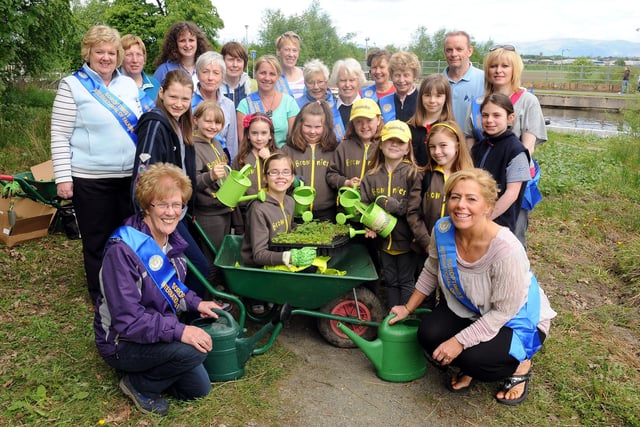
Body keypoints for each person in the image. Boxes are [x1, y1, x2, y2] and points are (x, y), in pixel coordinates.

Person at [390, 168, 556, 405]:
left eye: (471, 199)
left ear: (488, 206)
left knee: (474, 359)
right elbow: (431, 269)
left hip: (516, 318)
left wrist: (458, 342)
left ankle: (520, 365)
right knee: (428, 334)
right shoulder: (443, 229)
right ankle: (470, 360)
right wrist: (407, 308)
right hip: (473, 307)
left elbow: (503, 312)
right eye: (455, 197)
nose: (460, 205)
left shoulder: (506, 249)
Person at [95, 162, 223, 417]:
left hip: (155, 328)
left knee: (199, 388)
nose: (171, 212)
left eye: (177, 205)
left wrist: (197, 303)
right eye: (162, 204)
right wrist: (180, 331)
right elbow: (128, 321)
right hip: (122, 342)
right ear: (146, 206)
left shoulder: (171, 239)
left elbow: (172, 288)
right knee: (190, 352)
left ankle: (152, 369)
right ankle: (137, 384)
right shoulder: (123, 250)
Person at [50, 25, 142, 304]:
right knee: (98, 239)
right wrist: (63, 178)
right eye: (99, 51)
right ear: (87, 53)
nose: (105, 57)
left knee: (128, 236)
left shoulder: (127, 84)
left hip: (128, 177)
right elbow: (59, 134)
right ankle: (101, 294)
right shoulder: (72, 85)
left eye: (111, 52)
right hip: (90, 179)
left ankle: (128, 289)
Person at [132, 70, 210, 298]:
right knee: (199, 268)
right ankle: (193, 319)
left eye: (185, 99)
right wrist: (148, 216)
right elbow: (144, 175)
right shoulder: (155, 125)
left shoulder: (180, 124)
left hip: (178, 210)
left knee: (185, 267)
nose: (179, 104)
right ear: (161, 92)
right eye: (173, 97)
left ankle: (183, 312)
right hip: (161, 213)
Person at [466, 45, 547, 247]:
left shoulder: (528, 101)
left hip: (512, 176)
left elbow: (527, 146)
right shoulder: (478, 102)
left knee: (512, 234)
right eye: (493, 65)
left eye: (505, 66)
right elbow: (470, 138)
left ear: (515, 70)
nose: (498, 70)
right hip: (481, 177)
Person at [407, 121, 473, 308]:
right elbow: (413, 213)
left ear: (457, 146)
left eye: (443, 145)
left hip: (458, 250)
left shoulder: (468, 178)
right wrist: (427, 243)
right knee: (424, 293)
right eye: (433, 147)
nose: (437, 151)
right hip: (426, 249)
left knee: (451, 295)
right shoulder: (424, 176)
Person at [360, 120, 420, 309]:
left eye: (400, 142)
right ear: (381, 144)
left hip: (407, 241)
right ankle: (392, 317)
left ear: (407, 147)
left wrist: (397, 207)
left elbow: (416, 207)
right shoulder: (371, 176)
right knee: (391, 280)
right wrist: (367, 224)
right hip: (383, 242)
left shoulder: (414, 174)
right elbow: (363, 203)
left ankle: (405, 317)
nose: (394, 145)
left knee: (406, 280)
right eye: (389, 140)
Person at [240, 152, 316, 268]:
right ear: (265, 177)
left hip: (280, 257)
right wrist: (289, 257)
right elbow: (259, 255)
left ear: (292, 178)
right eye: (274, 172)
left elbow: (288, 227)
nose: (280, 176)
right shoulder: (259, 209)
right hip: (260, 267)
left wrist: (308, 232)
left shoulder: (290, 201)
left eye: (286, 172)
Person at [471, 94, 530, 242]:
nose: (489, 120)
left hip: (499, 224)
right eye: (485, 115)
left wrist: (485, 218)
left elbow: (511, 194)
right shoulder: (479, 147)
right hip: (474, 218)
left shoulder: (516, 151)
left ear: (510, 118)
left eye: (496, 115)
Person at [192, 101, 232, 277]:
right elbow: (192, 182)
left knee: (222, 254)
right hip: (208, 213)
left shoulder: (215, 143)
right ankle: (208, 297)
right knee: (212, 256)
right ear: (195, 120)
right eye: (208, 121)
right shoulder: (193, 146)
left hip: (223, 208)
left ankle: (221, 292)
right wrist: (211, 176)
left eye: (217, 123)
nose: (212, 126)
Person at [282, 101, 339, 221]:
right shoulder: (287, 150)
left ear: (326, 127)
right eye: (308, 126)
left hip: (327, 213)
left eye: (318, 127)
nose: (312, 132)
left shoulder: (334, 150)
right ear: (299, 124)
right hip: (295, 212)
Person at [237, 54, 300, 148]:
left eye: (272, 74)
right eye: (263, 73)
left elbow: (294, 139)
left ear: (278, 77)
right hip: (254, 159)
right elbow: (243, 143)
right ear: (255, 74)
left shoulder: (289, 103)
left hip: (282, 157)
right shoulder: (245, 104)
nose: (267, 78)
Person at [231, 112, 278, 234]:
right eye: (254, 133)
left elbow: (285, 183)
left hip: (273, 213)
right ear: (247, 135)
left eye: (264, 133)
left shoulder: (278, 156)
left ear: (270, 135)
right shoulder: (240, 159)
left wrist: (269, 160)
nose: (259, 138)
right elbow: (234, 196)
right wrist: (238, 225)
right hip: (246, 215)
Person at [326, 98, 383, 191]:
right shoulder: (344, 147)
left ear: (378, 120)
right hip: (348, 203)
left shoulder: (384, 147)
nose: (364, 126)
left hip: (376, 203)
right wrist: (346, 182)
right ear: (353, 123)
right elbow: (331, 174)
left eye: (369, 120)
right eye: (359, 121)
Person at [191, 51, 238, 160]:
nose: (210, 78)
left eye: (216, 73)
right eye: (205, 72)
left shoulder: (229, 105)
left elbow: (231, 143)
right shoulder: (188, 101)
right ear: (197, 74)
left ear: (222, 77)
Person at [406, 74, 455, 167]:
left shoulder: (450, 129)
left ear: (446, 98)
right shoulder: (409, 127)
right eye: (427, 95)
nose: (432, 100)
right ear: (421, 97)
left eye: (438, 96)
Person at [442, 31, 485, 128]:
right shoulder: (437, 83)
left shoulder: (485, 80)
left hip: (475, 142)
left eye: (459, 49)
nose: (454, 54)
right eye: (449, 50)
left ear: (469, 51)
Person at [296, 59, 345, 141]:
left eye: (320, 82)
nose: (316, 87)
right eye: (311, 82)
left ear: (326, 82)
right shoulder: (296, 105)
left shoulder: (337, 103)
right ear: (304, 83)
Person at [120, 34, 160, 112]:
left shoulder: (155, 85)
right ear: (120, 58)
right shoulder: (112, 84)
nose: (135, 60)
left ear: (144, 59)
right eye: (129, 55)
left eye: (139, 54)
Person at [379, 51, 421, 123]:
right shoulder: (382, 102)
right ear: (391, 76)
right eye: (397, 75)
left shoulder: (422, 101)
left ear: (414, 76)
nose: (401, 80)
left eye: (406, 75)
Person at [329, 58, 367, 129]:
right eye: (343, 80)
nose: (347, 84)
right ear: (336, 82)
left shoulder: (368, 108)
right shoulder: (329, 110)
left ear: (359, 81)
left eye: (352, 80)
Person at [220, 41, 257, 108]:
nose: (235, 65)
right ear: (222, 61)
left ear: (244, 63)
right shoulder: (215, 87)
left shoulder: (251, 87)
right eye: (231, 60)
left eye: (239, 60)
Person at [275, 31, 305, 99]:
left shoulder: (306, 75)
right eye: (287, 50)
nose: (291, 55)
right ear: (278, 51)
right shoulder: (271, 78)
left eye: (294, 50)